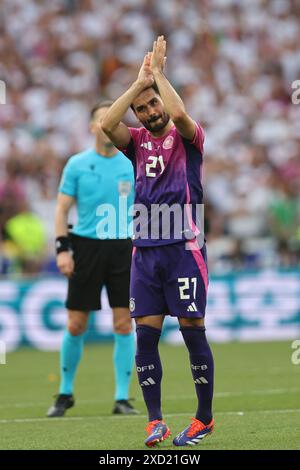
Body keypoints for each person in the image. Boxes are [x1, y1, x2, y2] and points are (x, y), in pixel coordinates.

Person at [102, 36, 214, 447]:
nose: (150, 111)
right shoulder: (135, 144)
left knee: (192, 331)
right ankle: (156, 421)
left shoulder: (190, 139)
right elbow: (105, 125)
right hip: (145, 252)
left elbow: (181, 112)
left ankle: (203, 418)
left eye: (153, 103)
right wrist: (137, 84)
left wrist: (159, 76)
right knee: (144, 336)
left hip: (185, 249)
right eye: (143, 108)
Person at [47, 101, 138, 417]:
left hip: (124, 247)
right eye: (102, 119)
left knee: (124, 323)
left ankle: (122, 398)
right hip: (86, 247)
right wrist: (62, 249)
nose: (108, 125)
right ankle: (65, 391)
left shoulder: (131, 163)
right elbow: (61, 209)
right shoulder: (77, 164)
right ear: (92, 127)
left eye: (113, 120)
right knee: (76, 323)